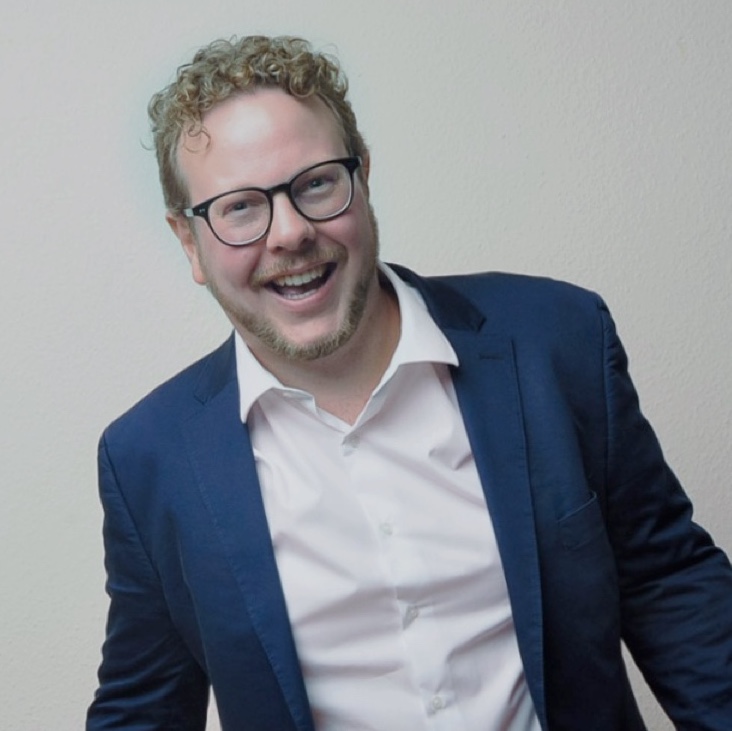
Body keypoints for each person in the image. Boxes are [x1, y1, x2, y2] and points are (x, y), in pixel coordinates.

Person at [87, 35, 732, 730]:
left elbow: (671, 584)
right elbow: (142, 709)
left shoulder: (556, 340)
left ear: (362, 179)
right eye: (239, 208)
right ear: (190, 243)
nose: (289, 233)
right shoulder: (149, 458)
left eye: (315, 184)